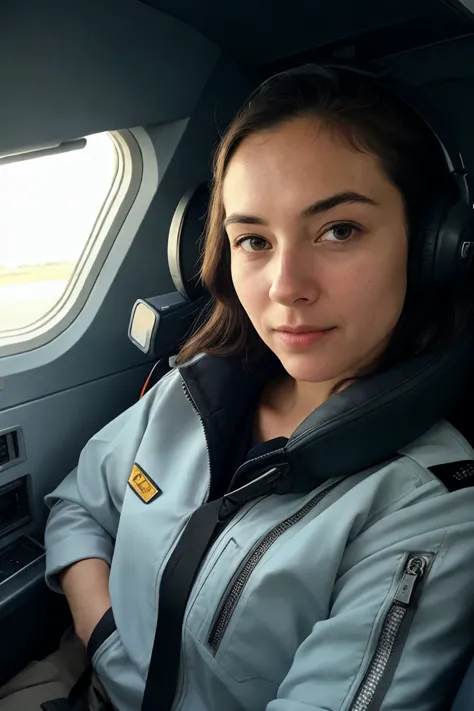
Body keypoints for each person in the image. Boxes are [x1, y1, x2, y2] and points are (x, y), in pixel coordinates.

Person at [2, 63, 474, 711]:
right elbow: (79, 504)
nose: (285, 285)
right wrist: (107, 637)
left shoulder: (428, 507)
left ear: (432, 245)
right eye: (253, 239)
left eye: (339, 230)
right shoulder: (189, 391)